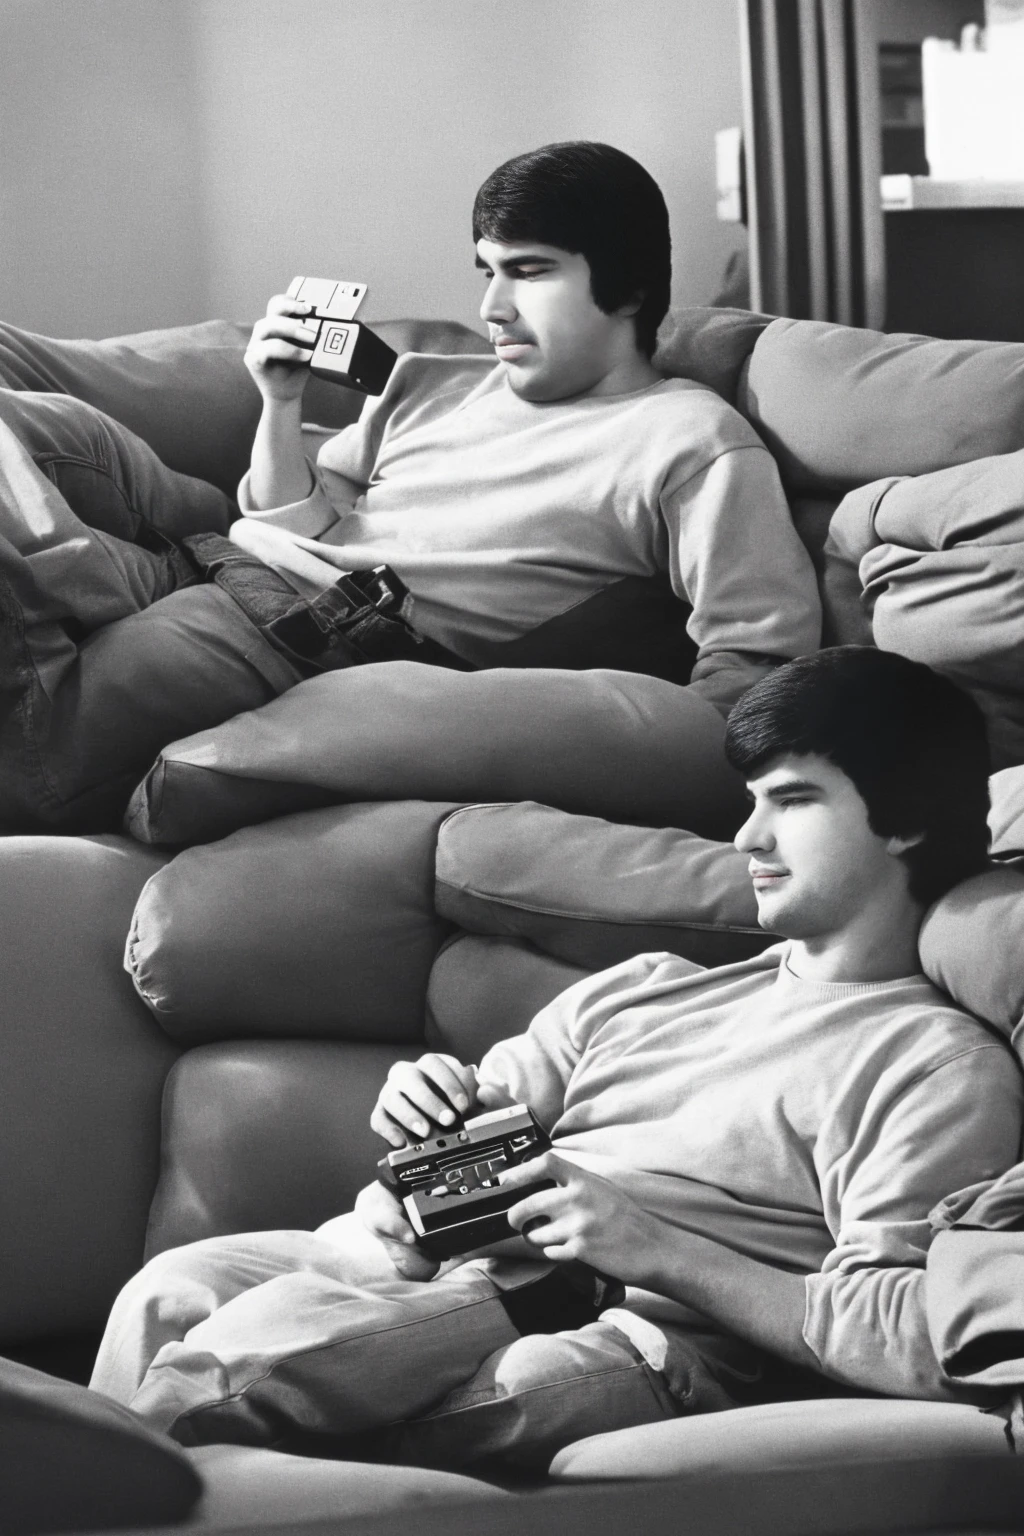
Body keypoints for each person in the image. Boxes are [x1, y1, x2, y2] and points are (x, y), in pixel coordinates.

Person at [89, 647, 1023, 1471]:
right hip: (457, 1265)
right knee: (175, 1287)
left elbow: (912, 1328)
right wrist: (429, 1115)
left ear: (904, 821)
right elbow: (452, 1167)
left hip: (639, 1326)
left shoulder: (935, 1066)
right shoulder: (648, 986)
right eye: (750, 803)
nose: (748, 839)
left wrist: (655, 1248)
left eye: (793, 801)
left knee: (255, 1359)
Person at [0, 141, 819, 831]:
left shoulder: (689, 440)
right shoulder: (434, 381)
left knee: (34, 769)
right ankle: (72, 583)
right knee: (21, 424)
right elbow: (305, 515)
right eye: (487, 271)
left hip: (294, 632)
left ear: (631, 287)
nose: (493, 307)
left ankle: (62, 591)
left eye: (529, 273)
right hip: (209, 545)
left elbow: (754, 666)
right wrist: (280, 403)